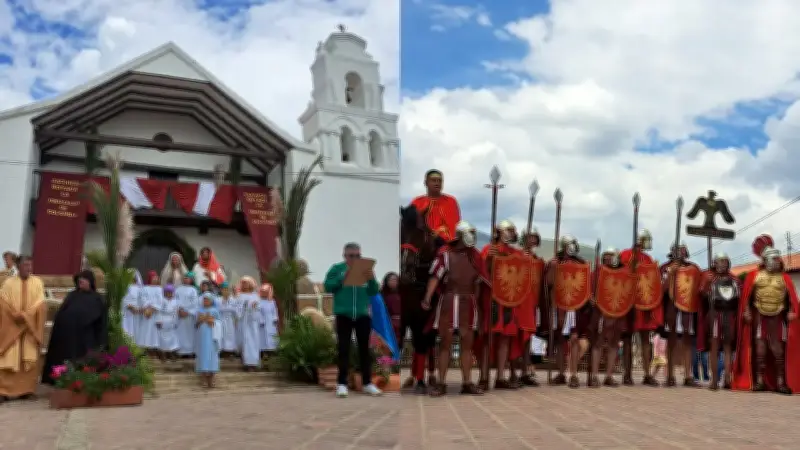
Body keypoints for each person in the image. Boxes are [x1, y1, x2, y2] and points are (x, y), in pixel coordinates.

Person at [422, 220, 488, 396]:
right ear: (460, 235)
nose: (472, 237)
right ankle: (441, 383)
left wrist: (480, 306)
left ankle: (467, 382)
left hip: (469, 301)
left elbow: (480, 282)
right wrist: (428, 297)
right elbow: (435, 277)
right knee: (445, 344)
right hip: (450, 300)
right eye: (469, 233)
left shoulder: (476, 256)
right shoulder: (445, 254)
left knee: (467, 344)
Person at [732, 234, 800, 394]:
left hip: (777, 319)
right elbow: (746, 299)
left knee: (778, 351)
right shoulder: (754, 277)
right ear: (766, 260)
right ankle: (760, 381)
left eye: (777, 258)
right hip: (760, 318)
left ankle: (781, 382)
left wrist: (792, 312)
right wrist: (747, 312)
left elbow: (792, 300)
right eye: (773, 258)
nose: (777, 261)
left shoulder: (784, 278)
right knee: (760, 350)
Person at [323, 242, 382, 398]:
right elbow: (328, 286)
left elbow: (374, 291)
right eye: (351, 256)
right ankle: (342, 384)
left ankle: (367, 383)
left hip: (363, 314)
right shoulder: (336, 269)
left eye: (358, 255)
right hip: (344, 314)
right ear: (344, 256)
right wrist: (342, 278)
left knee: (365, 350)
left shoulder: (364, 270)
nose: (355, 258)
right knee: (343, 349)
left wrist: (371, 279)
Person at [479, 220, 525, 390]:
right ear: (498, 232)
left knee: (505, 339)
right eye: (508, 230)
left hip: (508, 301)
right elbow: (483, 274)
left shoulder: (516, 254)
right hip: (491, 300)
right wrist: (489, 259)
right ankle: (483, 377)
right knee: (487, 339)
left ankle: (500, 377)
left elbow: (520, 278)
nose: (510, 234)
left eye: (513, 231)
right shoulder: (488, 250)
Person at [41, 270, 107, 385]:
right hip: (67, 337)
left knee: (82, 362)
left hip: (85, 339)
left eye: (84, 279)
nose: (81, 281)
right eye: (79, 279)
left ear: (90, 282)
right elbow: (62, 312)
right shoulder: (72, 295)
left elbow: (101, 321)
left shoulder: (97, 299)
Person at [546, 235, 593, 388]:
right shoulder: (555, 262)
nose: (572, 247)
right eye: (569, 244)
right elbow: (549, 283)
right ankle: (561, 373)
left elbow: (585, 287)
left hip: (575, 307)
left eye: (573, 244)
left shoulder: (581, 264)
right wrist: (553, 269)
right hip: (559, 305)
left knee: (573, 338)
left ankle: (573, 374)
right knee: (560, 341)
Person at [619, 229, 662, 386]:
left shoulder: (648, 258)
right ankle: (627, 374)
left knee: (645, 340)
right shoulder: (625, 255)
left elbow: (652, 281)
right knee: (627, 340)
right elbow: (620, 274)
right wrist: (631, 266)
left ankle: (647, 374)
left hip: (644, 303)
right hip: (629, 303)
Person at [0, 256, 46, 403]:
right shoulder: (8, 283)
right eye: (26, 265)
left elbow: (40, 304)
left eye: (30, 265)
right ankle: (3, 391)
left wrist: (27, 317)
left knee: (29, 358)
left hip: (29, 329)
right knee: (8, 357)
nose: (29, 268)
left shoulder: (38, 282)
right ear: (18, 266)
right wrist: (15, 315)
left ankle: (27, 390)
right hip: (11, 327)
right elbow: (3, 303)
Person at [660, 242, 703, 387]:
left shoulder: (694, 268)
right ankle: (670, 375)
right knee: (671, 341)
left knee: (687, 341)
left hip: (687, 309)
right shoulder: (665, 268)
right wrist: (670, 275)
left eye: (683, 250)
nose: (681, 253)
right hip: (671, 308)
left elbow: (699, 289)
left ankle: (688, 376)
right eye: (678, 250)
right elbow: (661, 290)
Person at [588, 248, 628, 387]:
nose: (608, 259)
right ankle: (594, 376)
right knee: (598, 343)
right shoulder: (598, 272)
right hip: (601, 312)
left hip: (617, 312)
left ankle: (609, 376)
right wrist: (590, 298)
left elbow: (627, 290)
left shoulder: (623, 272)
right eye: (605, 256)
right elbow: (589, 288)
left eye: (610, 256)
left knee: (614, 343)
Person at [514, 229, 544, 387]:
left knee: (529, 339)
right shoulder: (517, 256)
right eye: (529, 238)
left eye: (534, 238)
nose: (532, 240)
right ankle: (514, 373)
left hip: (533, 304)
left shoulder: (538, 260)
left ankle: (525, 372)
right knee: (516, 338)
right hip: (518, 303)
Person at [410, 169, 461, 243]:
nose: (437, 183)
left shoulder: (450, 201)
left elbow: (454, 227)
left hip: (444, 243)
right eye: (433, 180)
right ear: (426, 183)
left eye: (440, 181)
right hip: (421, 243)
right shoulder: (417, 202)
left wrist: (439, 232)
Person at [195, 292, 221, 388]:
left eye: (207, 299)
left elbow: (219, 323)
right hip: (202, 338)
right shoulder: (199, 310)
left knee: (212, 356)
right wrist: (203, 319)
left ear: (211, 301)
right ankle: (204, 379)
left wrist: (211, 320)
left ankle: (212, 379)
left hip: (212, 338)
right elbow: (196, 324)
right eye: (204, 299)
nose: (205, 301)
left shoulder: (215, 310)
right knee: (203, 356)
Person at [237, 277, 262, 371]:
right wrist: (244, 307)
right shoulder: (240, 296)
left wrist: (254, 307)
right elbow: (237, 310)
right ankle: (246, 363)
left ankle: (254, 363)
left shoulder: (255, 296)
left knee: (253, 342)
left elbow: (258, 308)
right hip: (243, 323)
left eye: (246, 283)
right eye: (243, 283)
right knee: (245, 342)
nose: (244, 285)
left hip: (253, 323)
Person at [137, 271, 162, 354]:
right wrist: (147, 308)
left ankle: (154, 348)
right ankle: (145, 347)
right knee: (146, 330)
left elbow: (160, 301)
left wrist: (152, 309)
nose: (155, 279)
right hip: (146, 313)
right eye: (153, 277)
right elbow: (142, 299)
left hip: (155, 313)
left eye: (156, 278)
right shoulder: (144, 288)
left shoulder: (159, 289)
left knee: (155, 330)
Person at [175, 273, 199, 358]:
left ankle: (190, 352)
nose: (186, 279)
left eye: (188, 278)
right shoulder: (178, 289)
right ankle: (180, 351)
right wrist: (179, 310)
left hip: (189, 316)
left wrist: (188, 312)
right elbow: (175, 300)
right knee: (180, 333)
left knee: (190, 334)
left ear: (191, 280)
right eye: (185, 278)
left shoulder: (193, 290)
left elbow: (195, 303)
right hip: (180, 315)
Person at [155, 284, 180, 361]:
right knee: (162, 338)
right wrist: (158, 321)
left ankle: (171, 353)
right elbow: (158, 312)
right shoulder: (162, 300)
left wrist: (176, 321)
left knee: (172, 338)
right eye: (167, 292)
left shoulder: (175, 301)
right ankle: (163, 354)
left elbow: (176, 312)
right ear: (164, 293)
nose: (169, 294)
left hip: (172, 321)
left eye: (170, 292)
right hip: (163, 320)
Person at [217, 282, 241, 358]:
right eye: (223, 289)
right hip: (221, 319)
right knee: (221, 335)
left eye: (227, 289)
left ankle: (230, 351)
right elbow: (216, 310)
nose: (225, 291)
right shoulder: (217, 299)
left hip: (230, 320)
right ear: (221, 290)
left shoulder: (233, 300)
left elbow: (237, 311)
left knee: (230, 335)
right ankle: (222, 351)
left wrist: (236, 320)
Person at [381, 272, 402, 353]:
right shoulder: (383, 295)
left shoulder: (402, 294)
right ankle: (386, 364)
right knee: (387, 350)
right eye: (391, 280)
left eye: (395, 279)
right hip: (388, 325)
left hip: (400, 325)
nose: (393, 281)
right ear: (387, 281)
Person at [258, 284, 279, 357]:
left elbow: (274, 311)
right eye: (263, 291)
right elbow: (258, 312)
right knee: (263, 338)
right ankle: (263, 352)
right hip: (262, 324)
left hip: (271, 322)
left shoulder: (272, 301)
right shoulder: (258, 301)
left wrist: (275, 318)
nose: (265, 293)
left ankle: (272, 352)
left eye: (266, 292)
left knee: (272, 337)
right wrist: (261, 320)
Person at [122, 270, 143, 340]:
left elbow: (143, 300)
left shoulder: (140, 288)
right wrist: (130, 307)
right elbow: (123, 299)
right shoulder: (125, 287)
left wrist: (140, 309)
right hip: (128, 313)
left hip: (138, 314)